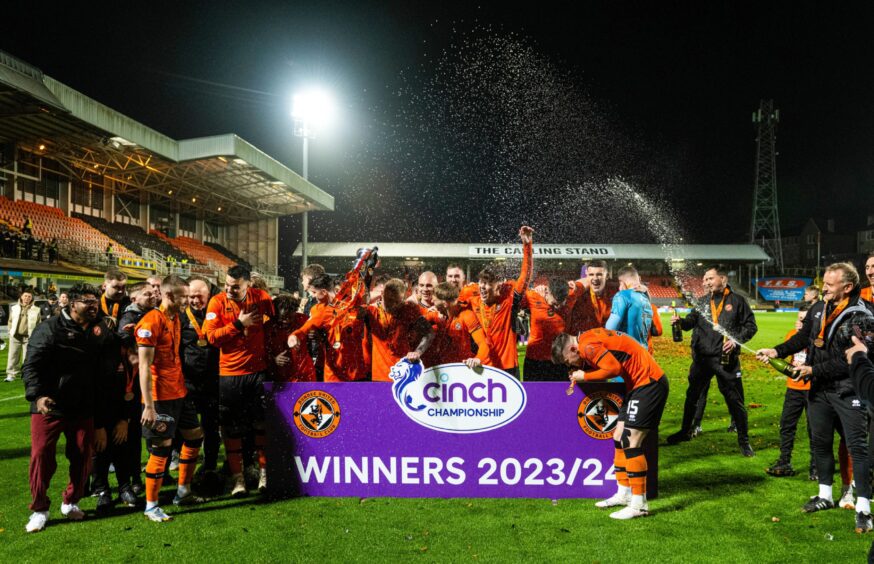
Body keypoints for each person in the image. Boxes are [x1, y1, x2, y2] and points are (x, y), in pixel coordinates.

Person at [756, 262, 873, 532]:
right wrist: (777, 351)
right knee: (820, 443)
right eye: (823, 285)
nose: (824, 289)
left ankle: (864, 508)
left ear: (848, 287)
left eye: (830, 286)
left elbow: (854, 360)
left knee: (858, 449)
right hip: (819, 390)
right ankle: (825, 495)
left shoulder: (862, 315)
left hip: (848, 390)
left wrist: (813, 369)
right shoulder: (819, 307)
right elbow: (804, 338)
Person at [22, 284, 113, 532]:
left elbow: (105, 369)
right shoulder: (49, 329)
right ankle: (40, 509)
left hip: (83, 406)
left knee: (83, 456)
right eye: (87, 301)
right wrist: (38, 396)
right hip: (50, 406)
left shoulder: (99, 330)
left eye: (96, 301)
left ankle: (71, 501)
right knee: (41, 456)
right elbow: (30, 366)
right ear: (72, 304)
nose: (94, 305)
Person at [552, 328, 669, 520]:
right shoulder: (587, 339)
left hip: (649, 383)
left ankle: (639, 504)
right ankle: (624, 493)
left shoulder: (587, 346)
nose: (570, 365)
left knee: (632, 441)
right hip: (637, 385)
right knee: (618, 436)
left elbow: (613, 369)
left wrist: (585, 376)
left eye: (567, 361)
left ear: (573, 349)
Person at [666, 266, 757, 456]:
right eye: (704, 279)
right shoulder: (701, 302)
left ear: (722, 279)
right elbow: (690, 323)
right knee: (692, 397)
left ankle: (744, 441)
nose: (705, 282)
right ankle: (685, 432)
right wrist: (679, 322)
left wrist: (735, 340)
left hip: (725, 360)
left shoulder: (738, 301)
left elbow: (751, 327)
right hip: (701, 360)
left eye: (710, 278)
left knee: (735, 401)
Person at [137, 275, 204, 522]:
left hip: (180, 391)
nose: (188, 300)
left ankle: (183, 491)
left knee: (195, 436)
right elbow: (144, 367)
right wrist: (149, 406)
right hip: (160, 397)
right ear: (168, 295)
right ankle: (151, 506)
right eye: (183, 296)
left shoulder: (176, 318)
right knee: (161, 448)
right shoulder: (151, 321)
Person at [203, 264, 274, 497]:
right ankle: (239, 481)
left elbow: (272, 324)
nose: (229, 290)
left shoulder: (261, 298)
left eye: (235, 287)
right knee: (232, 429)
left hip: (257, 373)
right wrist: (238, 325)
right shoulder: (216, 302)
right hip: (230, 375)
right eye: (226, 285)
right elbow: (212, 338)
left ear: (247, 285)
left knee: (261, 425)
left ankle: (264, 476)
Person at [467, 226, 534, 376]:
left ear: (499, 284)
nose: (482, 287)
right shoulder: (473, 300)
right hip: (482, 366)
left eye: (487, 283)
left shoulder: (508, 300)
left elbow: (525, 276)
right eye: (481, 282)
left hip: (507, 367)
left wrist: (527, 245)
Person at [116, 282, 158, 500]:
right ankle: (132, 480)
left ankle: (145, 475)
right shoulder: (129, 317)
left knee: (148, 433)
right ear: (134, 299)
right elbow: (126, 341)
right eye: (146, 293)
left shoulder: (151, 314)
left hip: (146, 381)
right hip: (132, 384)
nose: (152, 295)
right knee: (133, 436)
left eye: (153, 293)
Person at [287, 274, 367, 381]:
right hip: (335, 372)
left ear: (324, 292)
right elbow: (305, 329)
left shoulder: (353, 306)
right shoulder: (321, 310)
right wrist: (294, 336)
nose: (313, 296)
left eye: (314, 293)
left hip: (357, 370)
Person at [179, 276, 222, 474]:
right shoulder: (180, 317)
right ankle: (184, 469)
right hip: (188, 383)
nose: (195, 300)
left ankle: (210, 466)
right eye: (191, 296)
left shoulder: (217, 312)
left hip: (213, 382)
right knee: (186, 429)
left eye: (199, 296)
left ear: (208, 294)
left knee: (211, 427)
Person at [365, 278, 435, 381]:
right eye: (389, 300)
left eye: (397, 301)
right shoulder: (371, 312)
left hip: (404, 373)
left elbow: (429, 333)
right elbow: (355, 303)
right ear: (382, 294)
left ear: (403, 298)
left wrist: (418, 352)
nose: (393, 305)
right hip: (379, 376)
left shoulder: (409, 309)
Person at [522, 276, 578, 380]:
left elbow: (585, 282)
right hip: (535, 360)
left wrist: (575, 283)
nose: (557, 307)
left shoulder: (571, 293)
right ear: (547, 292)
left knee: (560, 395)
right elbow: (514, 300)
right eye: (554, 303)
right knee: (533, 395)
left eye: (561, 303)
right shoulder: (533, 296)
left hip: (560, 359)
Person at [427, 282, 490, 368]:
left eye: (434, 300)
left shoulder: (467, 316)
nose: (431, 301)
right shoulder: (436, 314)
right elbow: (417, 321)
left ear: (445, 304)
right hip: (442, 369)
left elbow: (483, 344)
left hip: (462, 368)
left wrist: (477, 359)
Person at [269, 294, 316, 382]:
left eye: (290, 317)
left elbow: (321, 335)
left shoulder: (303, 320)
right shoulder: (268, 326)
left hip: (304, 372)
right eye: (282, 318)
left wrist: (315, 335)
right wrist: (273, 359)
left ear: (295, 312)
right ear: (275, 314)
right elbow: (259, 352)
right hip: (278, 375)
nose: (286, 321)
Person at [605, 266, 654, 350]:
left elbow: (610, 328)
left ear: (621, 282)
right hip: (643, 351)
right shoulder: (646, 299)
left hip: (627, 353)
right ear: (639, 278)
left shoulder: (622, 295)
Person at [565, 260, 618, 335]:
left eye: (599, 274)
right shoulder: (578, 296)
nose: (595, 278)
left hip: (609, 342)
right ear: (587, 276)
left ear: (607, 276)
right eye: (591, 274)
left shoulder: (617, 294)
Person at [6, 290, 41, 382]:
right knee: (13, 356)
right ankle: (11, 374)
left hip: (29, 337)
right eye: (25, 296)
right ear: (21, 297)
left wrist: (36, 336)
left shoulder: (36, 309)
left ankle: (26, 374)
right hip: (15, 336)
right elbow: (10, 321)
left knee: (27, 357)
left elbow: (38, 324)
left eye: (29, 296)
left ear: (32, 298)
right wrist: (10, 331)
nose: (27, 298)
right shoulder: (14, 308)